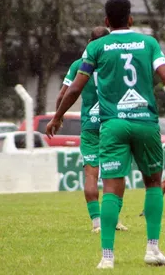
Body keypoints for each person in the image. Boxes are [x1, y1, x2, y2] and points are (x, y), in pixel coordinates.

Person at [46, 0, 165, 269]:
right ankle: (152, 249)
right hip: (145, 123)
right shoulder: (148, 44)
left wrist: (57, 117)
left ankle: (107, 257)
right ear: (130, 19)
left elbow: (75, 88)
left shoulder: (96, 46)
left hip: (112, 125)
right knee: (152, 184)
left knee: (112, 190)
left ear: (106, 21)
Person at [56, 27, 127, 233]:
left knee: (91, 174)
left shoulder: (79, 65)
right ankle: (113, 220)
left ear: (89, 42)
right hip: (113, 123)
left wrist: (58, 116)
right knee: (115, 174)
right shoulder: (116, 62)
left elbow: (65, 94)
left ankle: (97, 223)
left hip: (90, 125)